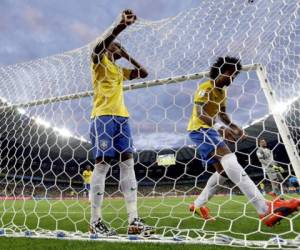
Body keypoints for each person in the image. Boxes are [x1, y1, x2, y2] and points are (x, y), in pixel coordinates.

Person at [187, 56, 300, 226]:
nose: (232, 78)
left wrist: (234, 127)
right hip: (200, 129)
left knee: (223, 172)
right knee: (229, 158)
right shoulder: (206, 87)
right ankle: (263, 209)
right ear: (221, 71)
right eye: (230, 74)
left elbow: (222, 115)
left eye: (235, 75)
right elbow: (200, 113)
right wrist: (221, 129)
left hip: (210, 130)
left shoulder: (222, 92)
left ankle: (196, 205)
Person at [89, 9, 153, 236]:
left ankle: (134, 220)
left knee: (128, 162)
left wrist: (126, 55)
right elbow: (98, 48)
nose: (117, 46)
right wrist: (120, 27)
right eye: (114, 44)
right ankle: (95, 221)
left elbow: (143, 72)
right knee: (103, 163)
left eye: (118, 45)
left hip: (122, 117)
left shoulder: (118, 69)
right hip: (103, 116)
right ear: (107, 47)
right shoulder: (98, 62)